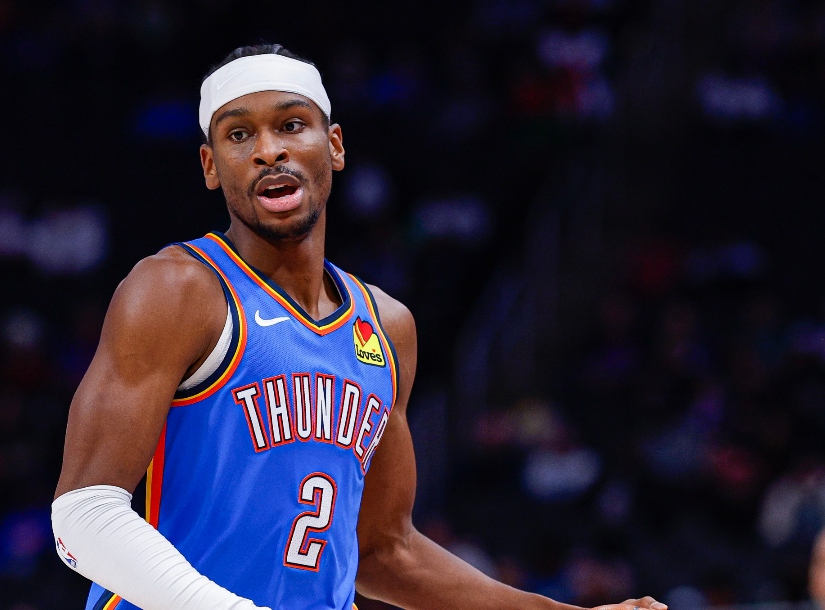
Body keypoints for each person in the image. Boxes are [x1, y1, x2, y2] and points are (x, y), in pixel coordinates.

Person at [50, 44, 667, 610]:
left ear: (335, 146)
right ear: (212, 167)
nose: (269, 150)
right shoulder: (177, 289)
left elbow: (383, 549)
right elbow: (82, 517)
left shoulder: (387, 326)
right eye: (241, 135)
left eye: (291, 125)